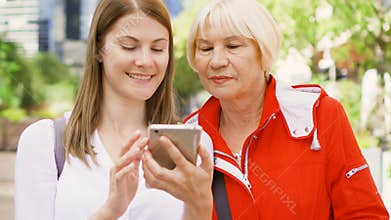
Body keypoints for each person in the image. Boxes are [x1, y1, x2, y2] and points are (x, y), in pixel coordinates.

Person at [180, 0, 389, 219]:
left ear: (264, 51)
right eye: (205, 48)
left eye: (233, 46)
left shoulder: (320, 116)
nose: (217, 61)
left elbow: (365, 213)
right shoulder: (188, 139)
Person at [14, 0, 212, 219]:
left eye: (157, 48)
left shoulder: (195, 146)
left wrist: (200, 202)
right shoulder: (44, 142)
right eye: (129, 46)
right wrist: (111, 210)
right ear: (99, 49)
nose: (145, 61)